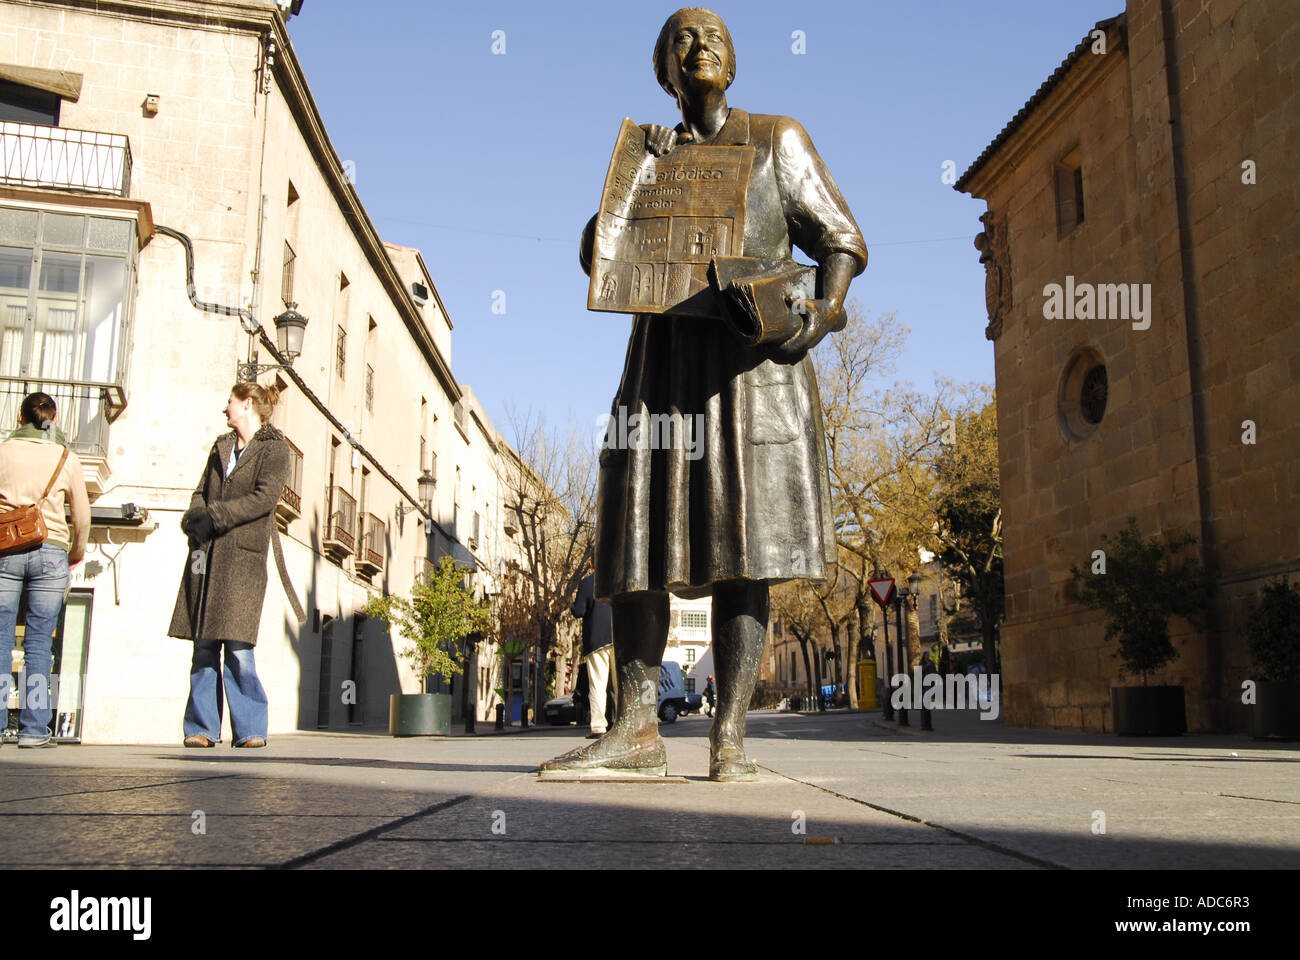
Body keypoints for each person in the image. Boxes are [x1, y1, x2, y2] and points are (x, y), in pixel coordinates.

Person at [542, 7, 865, 781]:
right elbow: (597, 256)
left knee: (745, 550)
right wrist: (628, 182)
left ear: (734, 63)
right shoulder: (650, 155)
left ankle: (729, 741)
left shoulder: (776, 137)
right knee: (633, 541)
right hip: (660, 367)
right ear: (663, 72)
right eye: (681, 38)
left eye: (714, 35)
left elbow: (841, 240)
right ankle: (636, 731)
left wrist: (820, 316)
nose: (700, 45)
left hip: (752, 372)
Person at [168, 382, 291, 748]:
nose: (225, 409)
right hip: (206, 555)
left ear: (248, 404)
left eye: (230, 402)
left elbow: (263, 499)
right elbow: (200, 492)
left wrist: (216, 516)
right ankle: (201, 728)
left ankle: (251, 729)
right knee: (203, 646)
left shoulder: (275, 449)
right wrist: (194, 518)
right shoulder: (221, 447)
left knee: (238, 648)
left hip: (242, 558)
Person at [0, 393, 90, 747]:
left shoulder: (3, 451)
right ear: (52, 418)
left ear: (21, 416)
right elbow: (81, 516)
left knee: (1, 639)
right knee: (40, 644)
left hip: (5, 549)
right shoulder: (66, 457)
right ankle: (34, 731)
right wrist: (75, 553)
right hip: (51, 551)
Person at [572, 559, 617, 737]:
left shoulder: (588, 583)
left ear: (591, 564)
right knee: (620, 684)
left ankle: (598, 726)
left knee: (597, 684)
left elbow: (579, 611)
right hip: (619, 637)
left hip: (596, 640)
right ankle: (622, 723)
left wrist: (571, 606)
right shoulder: (618, 579)